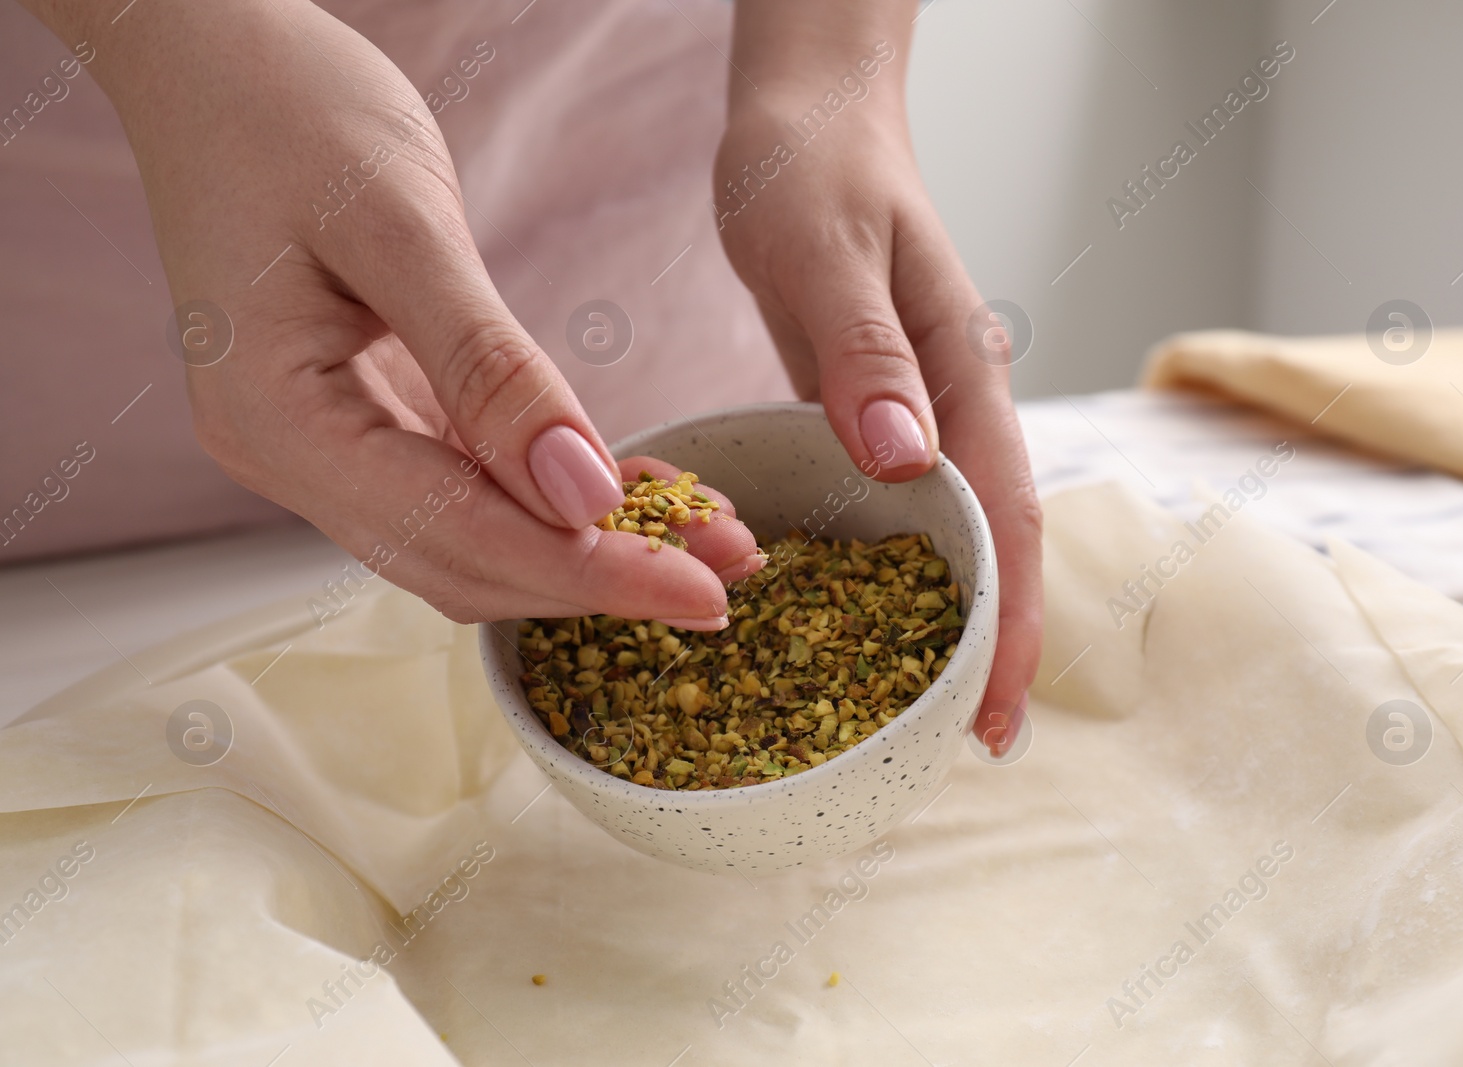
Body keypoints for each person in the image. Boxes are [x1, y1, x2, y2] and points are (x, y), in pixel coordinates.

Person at [12, 0, 1041, 754]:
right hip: (97, 286)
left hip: (638, 196)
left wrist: (826, 75)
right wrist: (168, 36)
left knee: (672, 539)